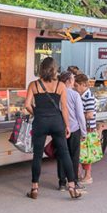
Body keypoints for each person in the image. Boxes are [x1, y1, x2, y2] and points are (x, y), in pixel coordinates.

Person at [24, 57, 84, 200]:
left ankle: (34, 189)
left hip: (40, 122)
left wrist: (37, 113)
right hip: (57, 122)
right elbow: (64, 108)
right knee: (65, 153)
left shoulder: (34, 84)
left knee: (37, 156)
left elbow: (27, 105)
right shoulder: (60, 86)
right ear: (54, 69)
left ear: (41, 68)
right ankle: (72, 187)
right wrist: (67, 125)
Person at [56, 71, 86, 191]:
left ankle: (62, 182)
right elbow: (80, 115)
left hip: (60, 128)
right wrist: (84, 132)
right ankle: (73, 181)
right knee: (74, 156)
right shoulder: (74, 95)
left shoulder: (56, 93)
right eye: (73, 79)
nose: (74, 81)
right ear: (68, 81)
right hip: (74, 128)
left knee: (62, 155)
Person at [75, 73, 101, 184]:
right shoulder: (82, 96)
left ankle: (87, 176)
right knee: (83, 153)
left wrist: (78, 116)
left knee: (86, 153)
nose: (75, 88)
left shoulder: (88, 97)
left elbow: (90, 114)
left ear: (82, 84)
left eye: (76, 86)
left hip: (88, 129)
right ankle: (82, 175)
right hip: (84, 128)